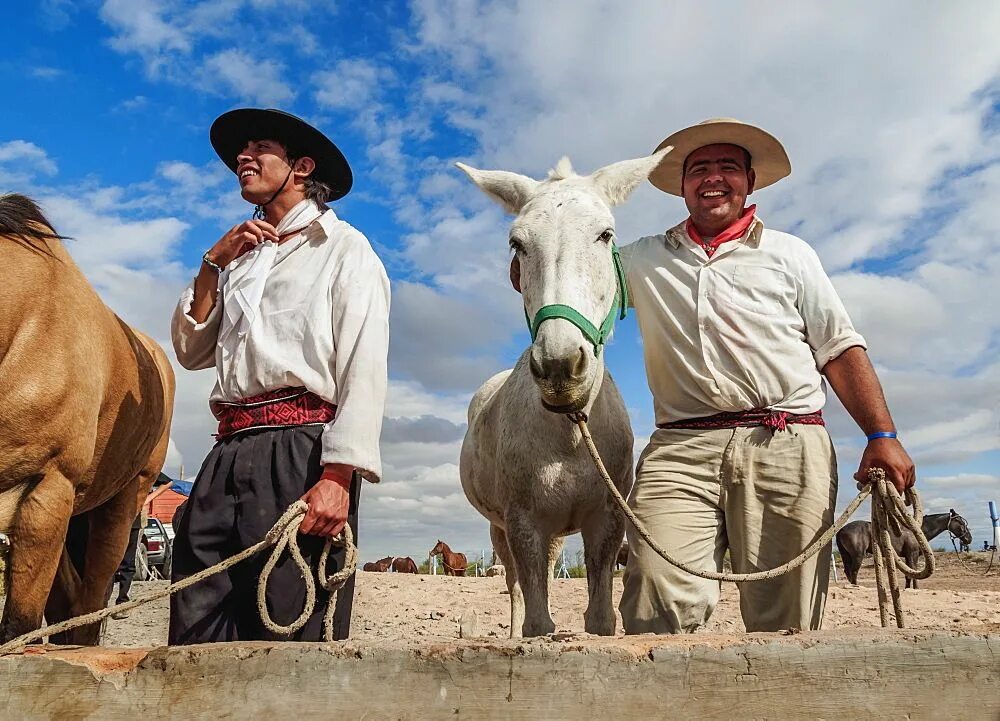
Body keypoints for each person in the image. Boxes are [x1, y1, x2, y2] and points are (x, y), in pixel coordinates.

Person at [615, 118, 915, 634]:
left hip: (787, 439)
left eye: (728, 167)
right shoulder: (638, 259)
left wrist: (881, 435)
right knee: (655, 593)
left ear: (749, 181)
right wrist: (532, 259)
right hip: (680, 446)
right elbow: (573, 276)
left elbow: (839, 348)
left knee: (788, 616)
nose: (713, 178)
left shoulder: (790, 254)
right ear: (682, 185)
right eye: (699, 169)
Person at [168, 108, 390, 643]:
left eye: (259, 148)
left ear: (301, 167)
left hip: (300, 455)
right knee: (195, 626)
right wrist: (211, 266)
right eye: (240, 152)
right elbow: (193, 351)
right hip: (225, 453)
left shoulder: (344, 249)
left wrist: (338, 478)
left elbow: (363, 361)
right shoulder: (241, 261)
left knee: (288, 630)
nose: (243, 158)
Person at [110, 513, 143, 620]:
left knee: (128, 563)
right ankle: (104, 601)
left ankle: (123, 602)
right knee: (109, 563)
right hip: (112, 519)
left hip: (132, 521)